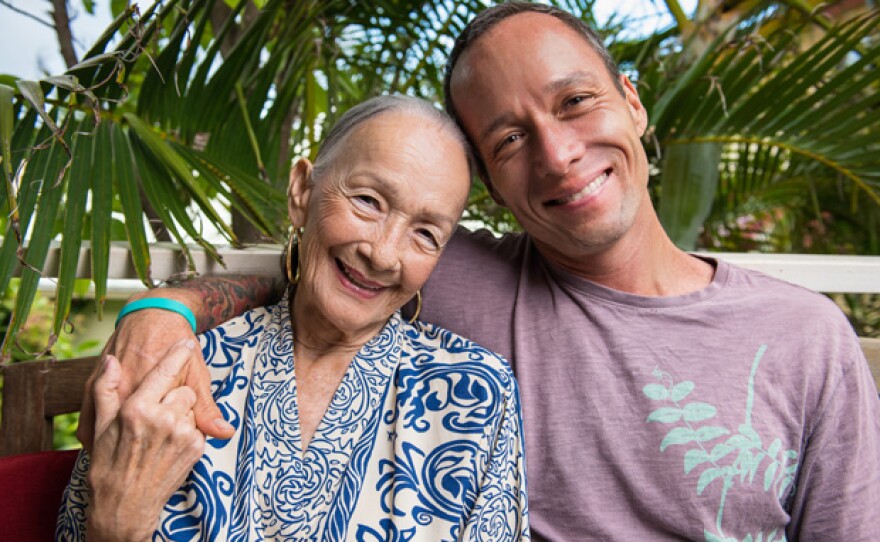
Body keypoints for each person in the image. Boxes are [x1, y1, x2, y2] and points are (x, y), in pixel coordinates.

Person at [83, 2, 880, 540]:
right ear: (490, 192)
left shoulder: (806, 335)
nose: (559, 157)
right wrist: (165, 311)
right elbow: (316, 273)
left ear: (632, 102)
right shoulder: (440, 269)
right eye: (508, 141)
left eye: (574, 103)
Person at [57, 96, 529, 541]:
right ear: (302, 190)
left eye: (426, 233)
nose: (383, 254)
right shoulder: (176, 365)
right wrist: (116, 525)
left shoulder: (476, 394)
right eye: (368, 200)